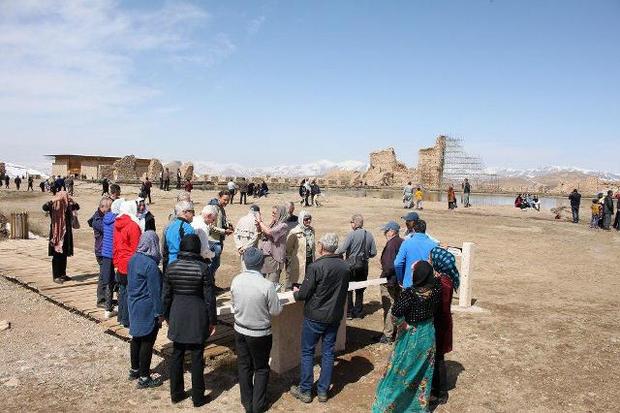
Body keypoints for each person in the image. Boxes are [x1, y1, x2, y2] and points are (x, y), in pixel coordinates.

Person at [371, 261, 441, 413]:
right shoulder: (437, 289)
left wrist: (403, 325)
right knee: (422, 372)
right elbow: (436, 278)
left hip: (411, 336)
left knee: (400, 371)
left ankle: (390, 406)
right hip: (428, 334)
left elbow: (395, 314)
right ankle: (417, 407)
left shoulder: (409, 294)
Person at [289, 233, 350, 404]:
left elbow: (303, 294)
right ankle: (323, 391)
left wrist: (296, 292)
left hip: (315, 316)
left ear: (322, 247)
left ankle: (306, 390)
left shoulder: (316, 267)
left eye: (319, 244)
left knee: (308, 352)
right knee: (328, 352)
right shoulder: (345, 267)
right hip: (334, 316)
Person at [163, 234, 217, 407]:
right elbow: (209, 298)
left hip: (177, 312)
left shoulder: (171, 267)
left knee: (177, 354)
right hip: (197, 314)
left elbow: (166, 296)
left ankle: (176, 393)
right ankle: (198, 397)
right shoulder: (203, 268)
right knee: (196, 357)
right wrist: (212, 320)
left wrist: (166, 315)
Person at [231, 247, 283, 413]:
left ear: (245, 262)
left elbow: (234, 304)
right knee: (261, 368)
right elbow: (275, 311)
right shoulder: (267, 286)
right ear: (261, 264)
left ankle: (247, 402)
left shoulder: (236, 280)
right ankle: (258, 405)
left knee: (244, 365)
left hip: (240, 330)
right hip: (260, 333)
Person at [127, 231, 163, 389]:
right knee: (147, 341)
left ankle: (135, 370)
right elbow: (155, 292)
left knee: (136, 338)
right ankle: (144, 377)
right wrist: (160, 313)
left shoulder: (133, 259)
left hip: (133, 303)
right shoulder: (151, 265)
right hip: (147, 307)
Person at [429, 247, 460, 405]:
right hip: (443, 322)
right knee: (438, 357)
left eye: (432, 259)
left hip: (439, 325)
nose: (430, 261)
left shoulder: (442, 284)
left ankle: (440, 392)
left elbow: (438, 305)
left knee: (438, 358)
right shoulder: (447, 279)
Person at [335, 214, 377, 319]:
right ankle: (358, 312)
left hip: (351, 265)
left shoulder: (351, 235)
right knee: (360, 289)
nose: (351, 224)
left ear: (354, 223)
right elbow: (374, 252)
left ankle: (349, 312)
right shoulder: (369, 235)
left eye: (351, 222)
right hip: (363, 265)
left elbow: (342, 249)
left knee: (349, 289)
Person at [113, 200, 142, 327]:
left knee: (123, 290)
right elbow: (136, 247)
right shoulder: (133, 225)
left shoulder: (117, 223)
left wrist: (116, 262)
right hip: (130, 262)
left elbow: (115, 244)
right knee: (131, 292)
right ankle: (128, 319)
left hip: (120, 261)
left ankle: (121, 317)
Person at [375, 220, 404, 344]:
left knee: (389, 307)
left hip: (390, 281)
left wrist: (384, 275)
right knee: (396, 306)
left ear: (392, 231)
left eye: (386, 231)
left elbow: (389, 265)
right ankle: (395, 332)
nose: (385, 233)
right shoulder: (401, 242)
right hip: (398, 280)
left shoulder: (392, 244)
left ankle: (387, 335)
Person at [42, 190, 80, 283]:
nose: (65, 198)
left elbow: (77, 207)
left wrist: (72, 200)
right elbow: (44, 207)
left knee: (64, 254)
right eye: (63, 196)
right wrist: (53, 199)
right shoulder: (54, 205)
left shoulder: (68, 205)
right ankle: (56, 276)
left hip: (66, 233)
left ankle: (63, 274)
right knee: (57, 255)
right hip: (56, 233)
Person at [394, 219, 438, 288]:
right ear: (425, 229)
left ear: (413, 229)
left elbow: (397, 263)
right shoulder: (434, 245)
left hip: (409, 283)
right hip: (428, 285)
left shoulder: (406, 243)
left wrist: (400, 279)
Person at [256, 205, 290, 291]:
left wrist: (260, 222)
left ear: (280, 214)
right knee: (262, 282)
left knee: (272, 284)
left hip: (275, 258)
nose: (272, 215)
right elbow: (264, 233)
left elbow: (269, 232)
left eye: (274, 213)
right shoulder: (274, 223)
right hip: (266, 256)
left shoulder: (283, 225)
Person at [88, 197, 112, 308]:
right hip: (101, 252)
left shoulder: (103, 216)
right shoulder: (97, 220)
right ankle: (101, 299)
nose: (111, 210)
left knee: (108, 274)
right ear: (103, 207)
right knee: (103, 275)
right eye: (109, 208)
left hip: (106, 251)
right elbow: (106, 228)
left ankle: (107, 297)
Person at [101, 199, 122, 318]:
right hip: (116, 253)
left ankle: (107, 308)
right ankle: (120, 305)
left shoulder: (106, 218)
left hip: (106, 252)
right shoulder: (118, 220)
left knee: (108, 281)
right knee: (119, 279)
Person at [285, 210, 316, 291]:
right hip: (298, 263)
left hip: (310, 261)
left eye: (310, 219)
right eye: (306, 219)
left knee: (308, 283)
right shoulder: (294, 232)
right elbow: (288, 248)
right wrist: (292, 260)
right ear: (301, 220)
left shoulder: (312, 231)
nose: (308, 221)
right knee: (297, 284)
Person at [208, 191, 233, 287]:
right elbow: (211, 227)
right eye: (225, 200)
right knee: (212, 265)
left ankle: (211, 285)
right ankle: (208, 286)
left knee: (215, 264)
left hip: (218, 240)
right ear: (219, 197)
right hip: (212, 240)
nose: (226, 202)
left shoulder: (221, 208)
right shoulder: (213, 208)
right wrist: (224, 231)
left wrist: (228, 225)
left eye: (228, 200)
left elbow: (222, 220)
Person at [164, 200, 196, 266]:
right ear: (185, 212)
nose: (194, 215)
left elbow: (165, 246)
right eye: (192, 211)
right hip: (182, 264)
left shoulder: (170, 225)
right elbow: (191, 249)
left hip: (170, 263)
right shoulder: (187, 228)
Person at [233, 205, 261, 270]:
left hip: (241, 249)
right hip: (251, 249)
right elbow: (256, 237)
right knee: (251, 268)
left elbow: (235, 234)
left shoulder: (241, 219)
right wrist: (245, 248)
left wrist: (239, 246)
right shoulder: (256, 221)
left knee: (243, 266)